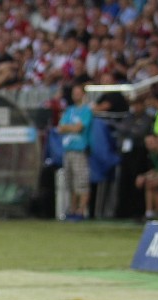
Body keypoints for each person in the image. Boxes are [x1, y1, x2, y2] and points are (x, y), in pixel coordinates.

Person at [57, 84, 93, 220]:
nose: (76, 95)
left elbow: (79, 128)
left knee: (81, 181)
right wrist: (70, 127)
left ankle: (81, 210)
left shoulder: (86, 111)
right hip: (68, 150)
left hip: (80, 150)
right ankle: (72, 209)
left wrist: (68, 127)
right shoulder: (70, 110)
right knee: (70, 182)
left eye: (78, 92)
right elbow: (60, 128)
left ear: (83, 94)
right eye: (74, 92)